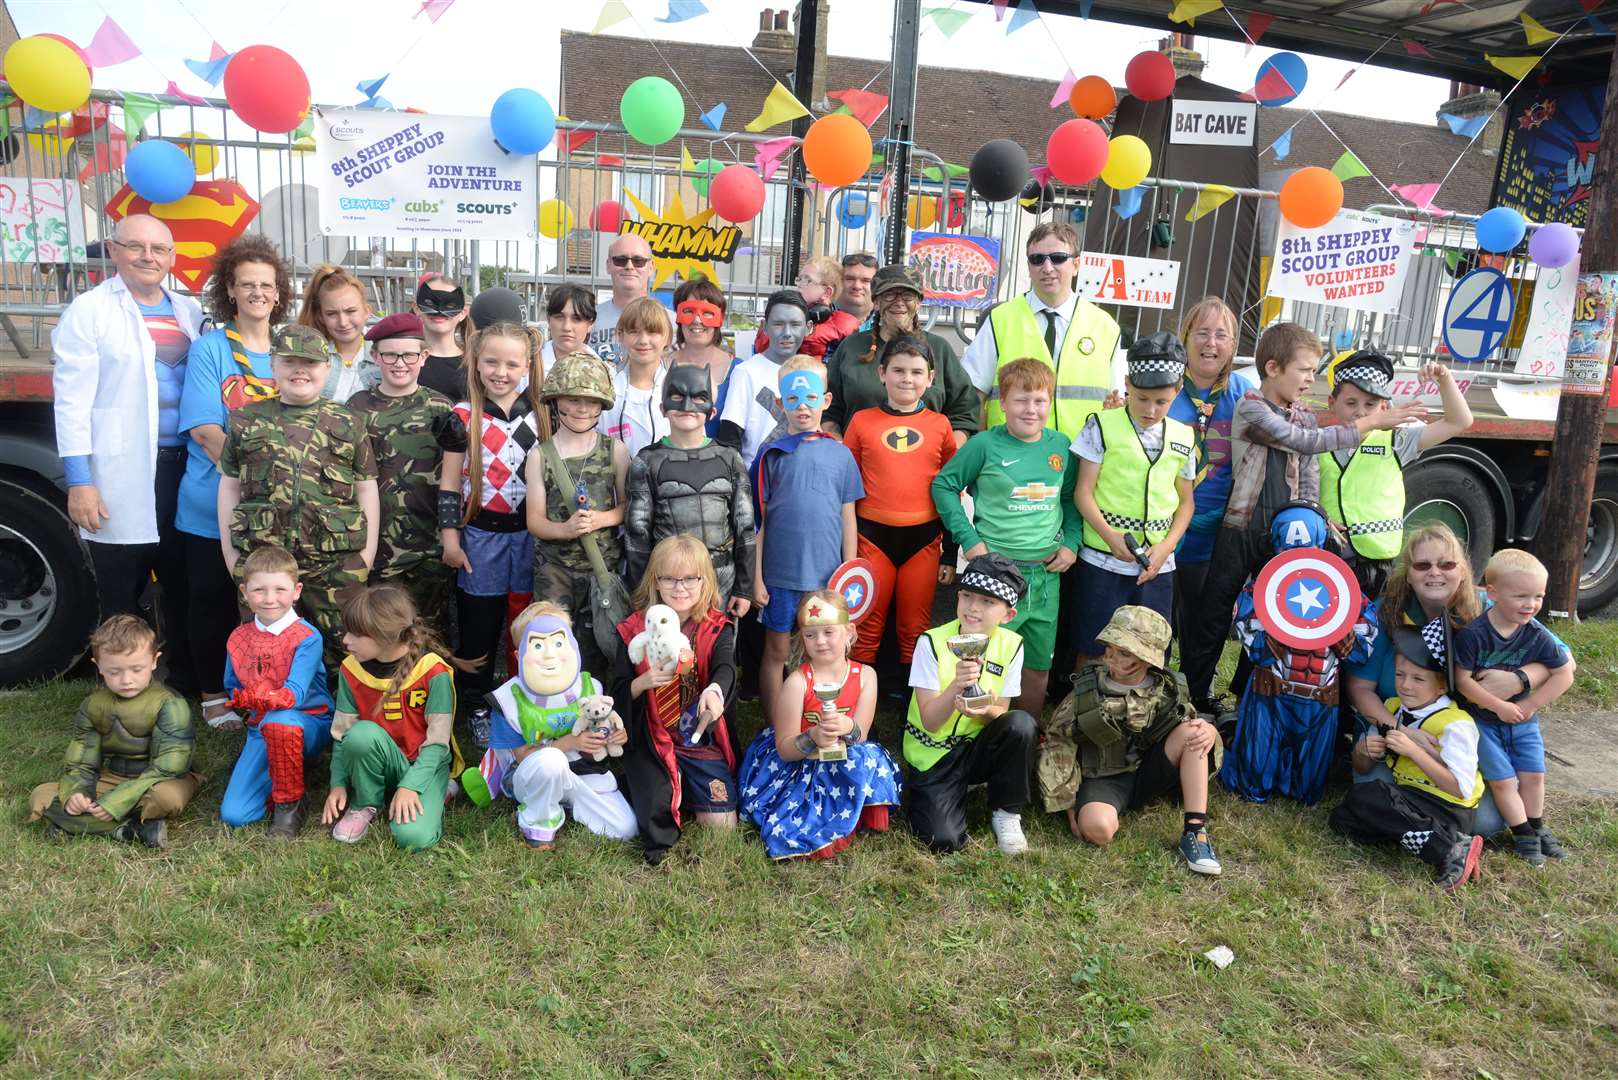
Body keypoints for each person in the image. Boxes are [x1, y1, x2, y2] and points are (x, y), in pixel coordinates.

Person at [1178, 322, 1424, 713]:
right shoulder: (1252, 407)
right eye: (1305, 369)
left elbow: (1309, 476)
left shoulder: (1306, 414)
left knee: (1272, 615)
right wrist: (1368, 423)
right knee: (1215, 612)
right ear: (1274, 368)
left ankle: (1249, 696)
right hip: (1242, 527)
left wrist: (1319, 516)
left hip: (1285, 535)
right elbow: (1303, 442)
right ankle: (1195, 695)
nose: (1312, 378)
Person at [52, 214, 205, 694]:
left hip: (182, 471)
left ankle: (181, 681)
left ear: (172, 257)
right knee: (121, 588)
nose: (148, 257)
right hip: (119, 474)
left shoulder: (189, 310)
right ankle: (122, 689)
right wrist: (80, 479)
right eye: (135, 246)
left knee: (182, 581)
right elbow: (72, 401)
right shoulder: (90, 310)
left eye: (159, 249)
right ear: (114, 251)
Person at [1345, 524, 1571, 838]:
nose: (1434, 573)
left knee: (1487, 824)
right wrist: (1399, 731)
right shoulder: (1386, 614)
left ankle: (1424, 822)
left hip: (1466, 734)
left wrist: (1519, 680)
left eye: (1446, 564)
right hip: (1396, 724)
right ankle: (1427, 826)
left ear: (1462, 571)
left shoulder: (1491, 607)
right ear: (1408, 574)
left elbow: (1563, 660)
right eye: (1423, 565)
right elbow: (1360, 688)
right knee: (1370, 791)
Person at [175, 234, 293, 727]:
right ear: (230, 288)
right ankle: (212, 695)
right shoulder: (209, 350)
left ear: (279, 291)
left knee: (271, 600)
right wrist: (258, 480)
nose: (258, 293)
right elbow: (205, 430)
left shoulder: (292, 349)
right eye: (247, 284)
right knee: (211, 599)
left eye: (266, 284)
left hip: (283, 508)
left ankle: (270, 690)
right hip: (213, 503)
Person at [217, 325, 379, 669]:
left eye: (310, 362)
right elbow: (229, 486)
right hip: (264, 562)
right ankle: (271, 718)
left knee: (345, 649)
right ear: (273, 366)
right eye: (289, 361)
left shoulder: (349, 422)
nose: (300, 370)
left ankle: (342, 718)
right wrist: (231, 556)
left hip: (336, 562)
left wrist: (366, 556)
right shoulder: (246, 420)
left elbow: (367, 488)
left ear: (327, 368)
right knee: (264, 650)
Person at [932, 358, 1079, 717]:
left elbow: (1070, 499)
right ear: (1002, 403)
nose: (1031, 409)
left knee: (1038, 665)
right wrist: (968, 538)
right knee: (988, 658)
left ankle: (1024, 735)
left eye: (1040, 400)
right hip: (996, 573)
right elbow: (944, 485)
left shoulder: (1061, 446)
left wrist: (1071, 542)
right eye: (1021, 400)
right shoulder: (984, 445)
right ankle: (979, 731)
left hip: (1045, 575)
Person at [1038, 606, 1222, 876]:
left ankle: (1195, 832)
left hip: (1151, 770)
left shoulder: (1165, 690)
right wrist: (1067, 803)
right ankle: (1105, 810)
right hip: (1104, 779)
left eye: (1125, 653)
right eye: (1110, 648)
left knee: (1194, 732)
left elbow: (1189, 722)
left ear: (1147, 659)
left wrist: (1209, 731)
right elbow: (1057, 742)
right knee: (1098, 830)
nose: (1113, 658)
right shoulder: (1086, 692)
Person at [1220, 504, 1377, 805]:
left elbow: (1361, 648)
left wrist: (1335, 622)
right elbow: (1257, 649)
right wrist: (1284, 620)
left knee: (1308, 788)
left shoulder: (1346, 591)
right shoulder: (1258, 591)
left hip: (1320, 696)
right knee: (1254, 774)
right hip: (1271, 691)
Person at [738, 589, 901, 860]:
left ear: (849, 631)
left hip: (844, 753)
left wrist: (847, 726)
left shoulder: (866, 676)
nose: (820, 641)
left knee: (870, 757)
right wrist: (814, 735)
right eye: (810, 634)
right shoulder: (797, 682)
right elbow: (785, 750)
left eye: (829, 632)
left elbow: (860, 736)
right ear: (802, 637)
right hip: (800, 760)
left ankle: (851, 810)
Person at [461, 602, 636, 848]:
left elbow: (600, 726)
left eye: (558, 642)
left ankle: (567, 802)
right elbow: (521, 756)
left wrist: (615, 736)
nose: (550, 655)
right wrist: (568, 743)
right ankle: (539, 820)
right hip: (534, 775)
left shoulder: (590, 688)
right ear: (520, 655)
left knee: (625, 828)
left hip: (582, 772)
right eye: (539, 645)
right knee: (552, 762)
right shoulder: (510, 699)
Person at [439, 321, 550, 705]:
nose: (501, 373)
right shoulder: (462, 416)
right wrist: (450, 540)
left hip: (530, 536)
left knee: (526, 622)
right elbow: (450, 484)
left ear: (527, 365)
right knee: (479, 623)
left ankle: (528, 697)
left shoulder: (543, 414)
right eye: (491, 362)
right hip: (480, 537)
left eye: (511, 364)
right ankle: (476, 699)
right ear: (475, 361)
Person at [1332, 618, 1485, 891]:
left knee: (1373, 796)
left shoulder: (1456, 724)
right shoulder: (1391, 708)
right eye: (1400, 675)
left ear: (1441, 687)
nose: (1405, 685)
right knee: (1344, 819)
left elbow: (1460, 788)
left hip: (1447, 806)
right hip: (1411, 798)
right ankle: (1417, 834)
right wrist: (1362, 751)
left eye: (1418, 679)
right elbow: (1362, 766)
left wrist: (1414, 751)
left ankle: (1450, 848)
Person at [1070, 332, 1196, 665]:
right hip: (1103, 557)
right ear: (1126, 383)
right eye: (1140, 398)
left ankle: (1145, 712)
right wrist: (1110, 536)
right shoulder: (1100, 426)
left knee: (1151, 646)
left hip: (1157, 563)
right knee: (1094, 641)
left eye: (1161, 402)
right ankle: (1086, 712)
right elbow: (1083, 492)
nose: (1150, 410)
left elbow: (1186, 503)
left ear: (1178, 390)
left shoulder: (1184, 435)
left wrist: (1167, 547)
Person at [614, 536, 741, 865]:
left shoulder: (715, 627)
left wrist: (714, 691)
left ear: (705, 580)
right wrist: (640, 683)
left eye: (689, 578)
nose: (679, 587)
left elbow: (725, 667)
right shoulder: (633, 631)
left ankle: (685, 787)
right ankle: (657, 787)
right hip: (653, 739)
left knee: (721, 826)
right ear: (655, 580)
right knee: (654, 811)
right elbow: (615, 690)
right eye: (669, 578)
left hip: (697, 738)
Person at [750, 354, 863, 719]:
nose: (803, 408)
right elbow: (759, 523)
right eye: (793, 400)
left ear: (826, 400)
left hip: (827, 579)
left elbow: (849, 519)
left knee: (827, 649)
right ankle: (774, 725)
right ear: (780, 403)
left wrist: (848, 577)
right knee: (777, 652)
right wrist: (756, 579)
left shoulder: (842, 455)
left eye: (811, 398)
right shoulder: (770, 457)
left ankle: (826, 717)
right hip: (781, 577)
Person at [904, 552, 1038, 856]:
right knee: (943, 841)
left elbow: (1001, 714)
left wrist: (985, 710)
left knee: (1021, 724)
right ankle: (949, 791)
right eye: (967, 596)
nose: (973, 608)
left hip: (977, 745)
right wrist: (957, 686)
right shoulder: (932, 642)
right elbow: (931, 721)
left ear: (1008, 615)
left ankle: (1007, 813)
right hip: (935, 754)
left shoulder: (1011, 645)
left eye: (988, 602)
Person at [28, 614, 199, 848]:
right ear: (98, 667)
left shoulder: (169, 703)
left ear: (154, 660)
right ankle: (130, 831)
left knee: (167, 799)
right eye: (114, 672)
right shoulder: (93, 705)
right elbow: (81, 762)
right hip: (111, 778)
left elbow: (171, 765)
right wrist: (77, 794)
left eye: (136, 669)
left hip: (159, 782)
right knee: (41, 796)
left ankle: (71, 824)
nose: (126, 680)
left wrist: (120, 800)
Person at [322, 586, 472, 851]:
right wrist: (338, 784)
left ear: (386, 636)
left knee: (412, 837)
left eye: (356, 634)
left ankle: (440, 789)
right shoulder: (350, 669)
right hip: (378, 761)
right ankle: (365, 803)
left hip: (424, 765)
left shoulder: (432, 671)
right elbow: (342, 734)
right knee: (360, 735)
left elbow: (437, 745)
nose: (345, 640)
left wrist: (411, 786)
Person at [841, 334, 957, 669]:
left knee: (915, 628)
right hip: (872, 538)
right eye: (899, 370)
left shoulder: (940, 425)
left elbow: (950, 491)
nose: (907, 378)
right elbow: (847, 486)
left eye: (917, 372)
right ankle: (862, 707)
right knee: (865, 623)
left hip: (922, 540)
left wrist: (949, 552)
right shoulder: (862, 421)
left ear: (930, 379)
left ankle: (912, 709)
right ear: (882, 373)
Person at [1454, 549, 1574, 865]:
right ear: (1492, 593)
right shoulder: (1474, 635)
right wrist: (1496, 705)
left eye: (1538, 596)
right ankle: (1522, 835)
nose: (1531, 605)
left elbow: (1564, 673)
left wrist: (1532, 703)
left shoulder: (1536, 634)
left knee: (1534, 775)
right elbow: (1463, 681)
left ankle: (1537, 827)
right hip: (1483, 721)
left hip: (1523, 720)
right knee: (1503, 780)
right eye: (1521, 596)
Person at [1319, 351, 1473, 595]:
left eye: (1370, 404)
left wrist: (1444, 379)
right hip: (1329, 555)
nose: (1360, 412)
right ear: (1331, 403)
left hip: (1379, 561)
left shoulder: (1396, 441)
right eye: (1351, 403)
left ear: (1383, 406)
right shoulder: (1318, 443)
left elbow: (1459, 421)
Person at [346, 312, 460, 628]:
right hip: (376, 547)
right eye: (390, 354)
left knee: (429, 632)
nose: (400, 363)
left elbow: (454, 477)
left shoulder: (440, 407)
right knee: (380, 629)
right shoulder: (356, 408)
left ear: (424, 356)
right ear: (375, 356)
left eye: (409, 354)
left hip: (429, 544)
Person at [961, 221, 1120, 441]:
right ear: (1028, 267)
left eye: (1057, 258)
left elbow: (1119, 404)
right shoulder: (1000, 320)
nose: (1047, 267)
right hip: (1010, 458)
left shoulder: (1106, 327)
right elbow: (973, 395)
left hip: (1080, 461)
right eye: (1037, 259)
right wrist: (980, 451)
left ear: (1076, 265)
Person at [217, 545, 335, 838]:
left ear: (296, 591)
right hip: (262, 727)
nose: (270, 599)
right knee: (235, 814)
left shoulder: (307, 636)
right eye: (259, 590)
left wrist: (253, 697)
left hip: (307, 721)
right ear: (245, 592)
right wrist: (240, 698)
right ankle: (275, 768)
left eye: (280, 589)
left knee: (278, 722)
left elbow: (293, 694)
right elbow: (231, 684)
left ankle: (291, 803)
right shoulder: (238, 637)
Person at [527, 349, 630, 677]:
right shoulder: (540, 456)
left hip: (601, 572)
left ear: (602, 405)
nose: (582, 408)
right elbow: (535, 521)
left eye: (591, 400)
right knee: (551, 647)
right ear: (556, 401)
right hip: (554, 572)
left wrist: (603, 519)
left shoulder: (615, 450)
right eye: (572, 399)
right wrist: (566, 529)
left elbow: (628, 507)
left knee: (599, 650)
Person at [624, 363, 755, 616]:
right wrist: (642, 594)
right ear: (663, 408)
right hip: (668, 586)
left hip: (721, 583)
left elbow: (745, 526)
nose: (686, 406)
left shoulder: (730, 459)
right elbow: (637, 534)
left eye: (698, 397)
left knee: (718, 651)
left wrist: (744, 588)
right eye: (676, 397)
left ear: (712, 411)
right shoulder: (646, 461)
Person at [1168, 297, 1254, 640]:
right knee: (1158, 620)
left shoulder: (1244, 395)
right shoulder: (1165, 388)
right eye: (1202, 333)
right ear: (1185, 337)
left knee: (1202, 626)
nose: (1211, 343)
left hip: (1216, 534)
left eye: (1221, 335)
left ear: (1233, 346)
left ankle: (1200, 689)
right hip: (1165, 530)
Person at [823, 265, 978, 444]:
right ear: (876, 302)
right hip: (859, 462)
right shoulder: (852, 347)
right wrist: (840, 450)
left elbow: (964, 413)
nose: (899, 302)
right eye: (889, 295)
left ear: (919, 303)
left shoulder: (938, 349)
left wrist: (949, 458)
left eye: (908, 296)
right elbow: (829, 409)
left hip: (928, 465)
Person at [718, 288, 810, 468]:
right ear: (764, 327)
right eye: (778, 324)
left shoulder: (815, 372)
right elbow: (730, 437)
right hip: (756, 480)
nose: (787, 332)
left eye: (795, 324)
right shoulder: (746, 371)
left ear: (808, 328)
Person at [600, 296, 672, 456]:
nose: (643, 340)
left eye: (653, 332)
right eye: (634, 332)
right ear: (620, 335)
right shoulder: (605, 391)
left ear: (667, 337)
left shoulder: (679, 389)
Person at [297, 264, 380, 402]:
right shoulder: (309, 358)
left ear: (367, 311)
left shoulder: (384, 358)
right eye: (331, 314)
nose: (342, 322)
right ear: (320, 317)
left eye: (351, 311)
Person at [753, 255, 859, 360]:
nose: (799, 284)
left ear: (827, 292)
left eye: (807, 280)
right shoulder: (783, 314)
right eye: (799, 279)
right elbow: (760, 349)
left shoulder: (844, 324)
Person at [669, 278, 736, 438]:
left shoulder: (738, 370)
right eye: (688, 311)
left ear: (720, 318)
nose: (697, 320)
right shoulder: (659, 365)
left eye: (707, 313)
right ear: (678, 316)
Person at [587, 232, 661, 364]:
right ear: (608, 265)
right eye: (620, 260)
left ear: (651, 267)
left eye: (638, 261)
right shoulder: (586, 319)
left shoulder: (671, 323)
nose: (629, 266)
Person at [414, 273, 470, 402]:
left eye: (450, 305)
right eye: (430, 303)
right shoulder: (406, 360)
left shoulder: (475, 362)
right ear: (417, 309)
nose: (439, 311)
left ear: (463, 313)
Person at [543, 283, 597, 369]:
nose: (566, 327)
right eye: (559, 317)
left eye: (576, 319)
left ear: (590, 324)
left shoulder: (606, 372)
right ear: (548, 320)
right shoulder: (527, 367)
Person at [836, 252, 878, 324]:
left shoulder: (887, 324)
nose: (857, 286)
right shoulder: (818, 319)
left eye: (866, 281)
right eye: (850, 279)